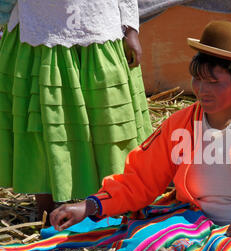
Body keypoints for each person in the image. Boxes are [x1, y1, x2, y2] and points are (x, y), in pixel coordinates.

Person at [50, 20, 231, 238]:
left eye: (213, 82)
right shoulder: (179, 126)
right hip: (193, 225)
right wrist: (90, 205)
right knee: (144, 243)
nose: (202, 90)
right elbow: (140, 180)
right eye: (197, 80)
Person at [0, 0, 153, 217]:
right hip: (41, 27)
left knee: (108, 118)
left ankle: (112, 202)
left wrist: (130, 28)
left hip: (97, 22)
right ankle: (47, 209)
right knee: (44, 118)